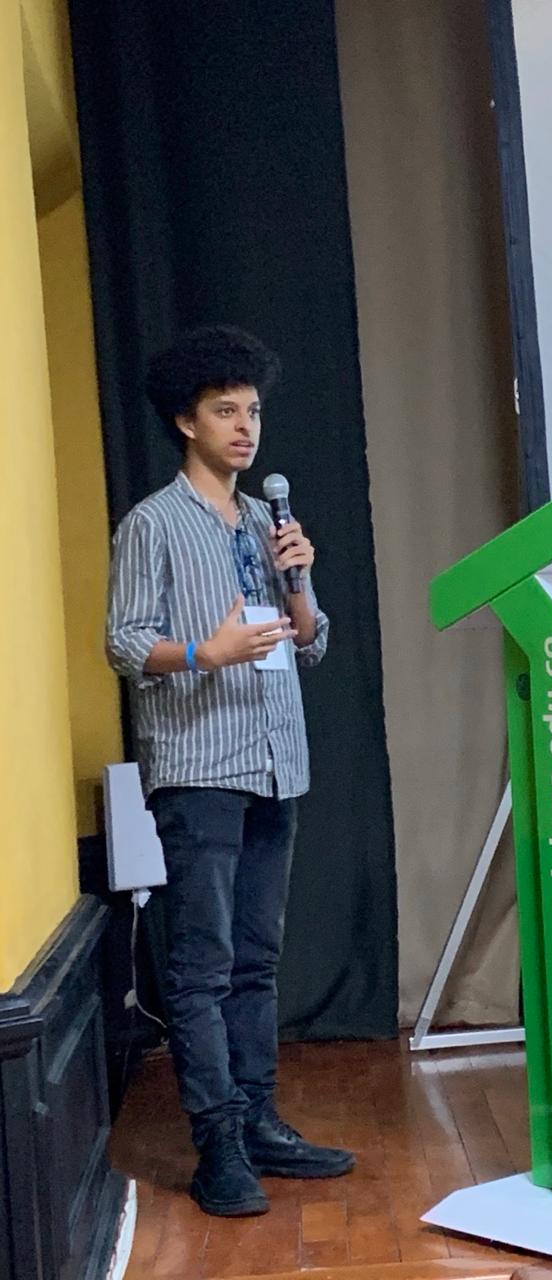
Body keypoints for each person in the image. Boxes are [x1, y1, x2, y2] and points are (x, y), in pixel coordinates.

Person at [106, 325, 354, 1217]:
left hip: (276, 760)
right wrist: (201, 653)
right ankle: (216, 1146)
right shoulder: (152, 524)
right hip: (200, 767)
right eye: (225, 411)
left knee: (257, 961)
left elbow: (309, 645)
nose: (245, 427)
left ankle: (259, 1122)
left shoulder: (264, 521)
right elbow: (123, 641)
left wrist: (300, 581)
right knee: (203, 967)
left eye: (252, 411)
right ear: (186, 421)